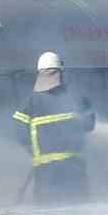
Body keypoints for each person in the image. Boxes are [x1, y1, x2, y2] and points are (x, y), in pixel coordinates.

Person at [11, 51, 95, 206]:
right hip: (74, 171)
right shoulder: (77, 98)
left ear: (39, 75)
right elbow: (89, 125)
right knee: (78, 213)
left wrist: (32, 150)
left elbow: (19, 133)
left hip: (45, 174)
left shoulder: (29, 103)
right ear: (61, 73)